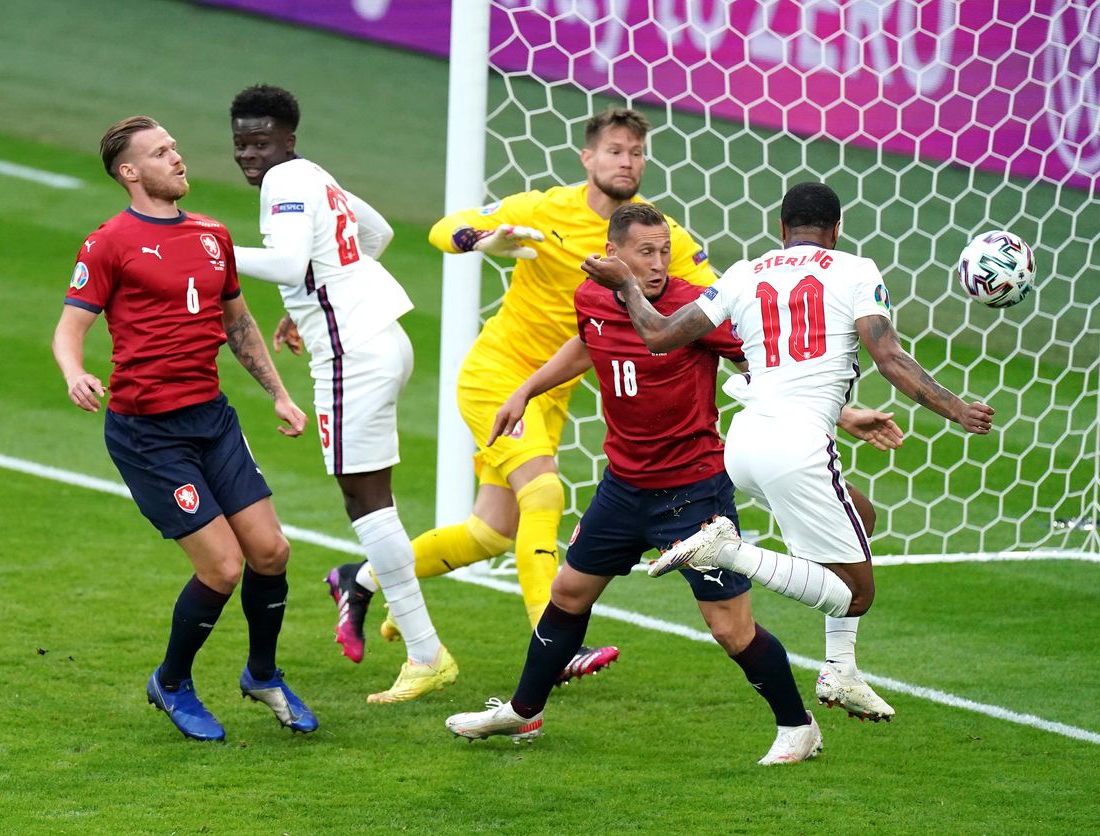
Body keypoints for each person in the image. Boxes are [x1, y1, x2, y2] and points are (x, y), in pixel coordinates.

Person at [444, 203, 901, 762]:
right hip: (623, 485)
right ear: (614, 254)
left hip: (693, 490)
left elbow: (767, 365)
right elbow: (588, 342)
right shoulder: (592, 296)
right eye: (645, 252)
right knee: (566, 593)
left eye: (664, 251)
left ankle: (797, 726)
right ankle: (522, 712)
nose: (658, 263)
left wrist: (845, 415)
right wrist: (525, 389)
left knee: (731, 629)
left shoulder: (694, 308)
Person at [583, 182, 994, 721]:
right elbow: (889, 357)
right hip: (799, 449)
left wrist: (627, 289)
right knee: (856, 595)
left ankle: (840, 669)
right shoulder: (856, 270)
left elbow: (658, 335)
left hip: (746, 443)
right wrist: (955, 407)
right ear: (837, 229)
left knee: (859, 515)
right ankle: (725, 552)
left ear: (780, 231)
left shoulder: (741, 274)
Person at [335, 107, 717, 684]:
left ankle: (358, 579)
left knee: (491, 532)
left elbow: (720, 300)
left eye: (636, 152)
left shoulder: (654, 237)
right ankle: (555, 640)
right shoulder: (543, 209)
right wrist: (483, 238)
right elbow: (446, 227)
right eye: (614, 150)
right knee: (542, 494)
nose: (627, 161)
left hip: (551, 395)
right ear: (588, 157)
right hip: (498, 375)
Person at [51, 115, 318, 741]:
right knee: (222, 567)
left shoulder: (211, 234)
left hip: (212, 419)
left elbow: (239, 323)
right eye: (161, 152)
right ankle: (171, 682)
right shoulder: (108, 243)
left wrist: (278, 394)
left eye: (174, 148)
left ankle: (262, 674)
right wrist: (74, 372)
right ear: (129, 172)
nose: (178, 158)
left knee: (272, 552)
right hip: (149, 434)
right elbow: (70, 328)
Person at [227, 84, 456, 704]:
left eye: (260, 142)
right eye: (241, 144)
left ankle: (424, 652)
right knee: (370, 498)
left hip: (351, 356)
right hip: (383, 340)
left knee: (365, 501)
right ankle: (416, 643)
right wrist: (306, 307)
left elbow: (283, 263)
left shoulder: (285, 182)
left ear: (287, 140)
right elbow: (375, 232)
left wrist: (210, 244)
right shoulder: (313, 175)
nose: (249, 155)